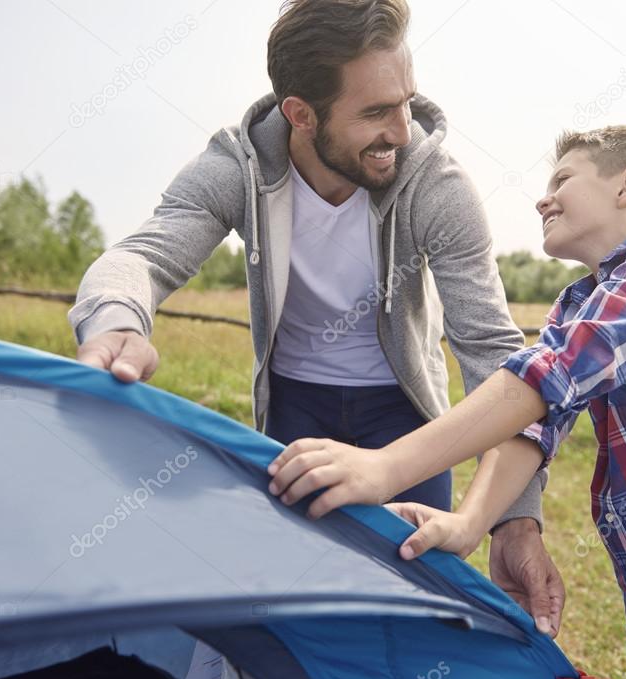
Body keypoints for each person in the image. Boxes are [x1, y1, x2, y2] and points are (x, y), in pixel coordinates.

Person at [267, 124, 626, 679]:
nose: (543, 201)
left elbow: (552, 373)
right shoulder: (575, 306)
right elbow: (537, 421)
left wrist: (384, 466)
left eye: (562, 180)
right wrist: (471, 523)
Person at [68, 0, 564, 637]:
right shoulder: (237, 168)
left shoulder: (437, 184)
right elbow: (144, 254)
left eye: (405, 101)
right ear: (300, 114)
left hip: (405, 418)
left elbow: (493, 353)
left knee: (416, 617)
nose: (402, 130)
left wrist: (514, 517)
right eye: (376, 112)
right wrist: (116, 317)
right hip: (294, 412)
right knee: (296, 619)